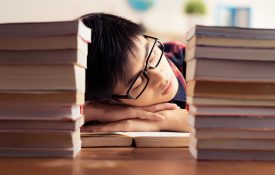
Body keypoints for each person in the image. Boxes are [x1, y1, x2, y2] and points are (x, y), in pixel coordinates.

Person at [81, 13, 189, 132]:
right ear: (112, 101)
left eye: (151, 56)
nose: (159, 76)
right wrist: (98, 112)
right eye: (138, 83)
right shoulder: (100, 97)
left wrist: (160, 122)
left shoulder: (187, 57)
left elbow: (212, 119)